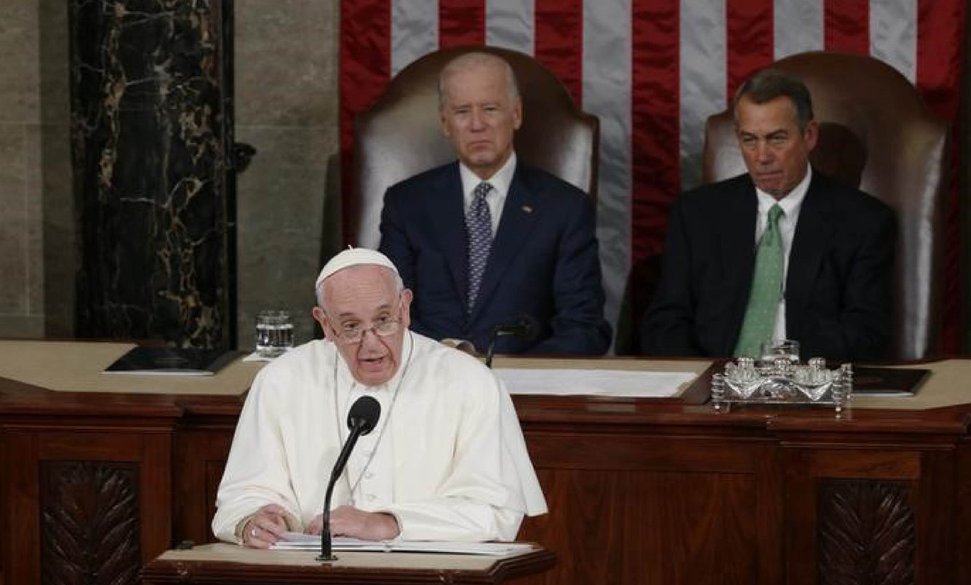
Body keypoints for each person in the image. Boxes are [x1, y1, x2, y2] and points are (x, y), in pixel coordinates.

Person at [212, 248, 547, 547]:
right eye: (351, 327)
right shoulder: (282, 380)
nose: (371, 344)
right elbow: (245, 493)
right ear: (325, 324)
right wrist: (257, 521)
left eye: (384, 321)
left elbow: (495, 511)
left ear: (405, 307)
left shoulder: (469, 382)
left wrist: (385, 523)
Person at [641, 68, 896, 362]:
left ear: (809, 135)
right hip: (714, 390)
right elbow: (664, 323)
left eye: (776, 139)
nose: (762, 156)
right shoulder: (697, 214)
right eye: (750, 140)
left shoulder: (863, 221)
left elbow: (867, 332)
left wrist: (784, 375)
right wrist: (705, 381)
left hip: (808, 390)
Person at [379, 51, 612, 356]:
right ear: (445, 122)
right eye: (462, 111)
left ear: (516, 114)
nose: (477, 124)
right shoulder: (406, 204)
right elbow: (388, 315)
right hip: (425, 383)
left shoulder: (565, 208)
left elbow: (584, 326)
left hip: (523, 391)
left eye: (490, 108)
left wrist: (508, 376)